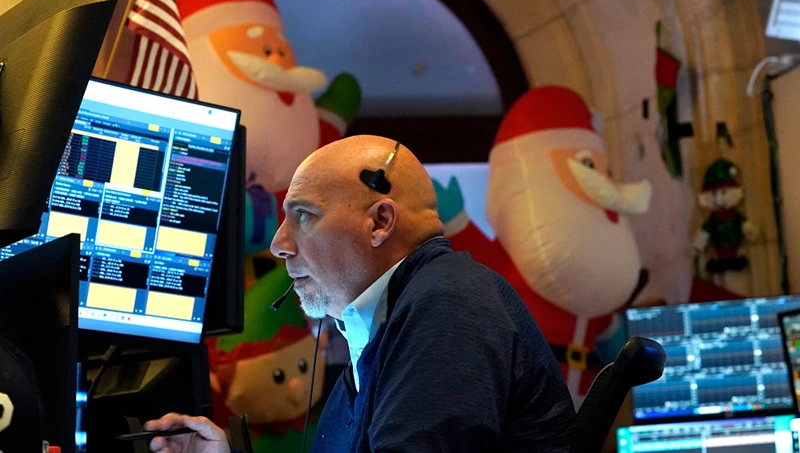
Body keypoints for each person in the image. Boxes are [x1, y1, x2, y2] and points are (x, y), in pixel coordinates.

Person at [146, 135, 577, 452]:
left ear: (380, 223)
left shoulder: (448, 306)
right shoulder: (386, 323)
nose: (279, 243)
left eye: (304, 215)